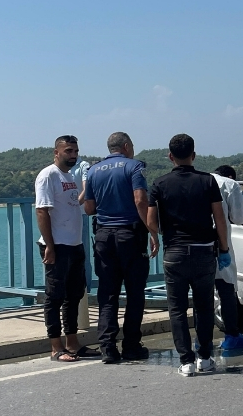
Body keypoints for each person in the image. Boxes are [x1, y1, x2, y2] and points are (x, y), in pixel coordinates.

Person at [147, 134, 230, 377]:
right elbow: (219, 218)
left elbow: (151, 221)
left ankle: (186, 361)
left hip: (175, 252)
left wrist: (160, 235)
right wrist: (223, 249)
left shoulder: (159, 184)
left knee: (177, 309)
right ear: (193, 155)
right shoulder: (207, 181)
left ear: (170, 156)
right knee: (204, 308)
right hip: (204, 251)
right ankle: (205, 357)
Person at [84, 132, 160, 364]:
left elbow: (88, 208)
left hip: (104, 236)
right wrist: (152, 232)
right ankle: (131, 345)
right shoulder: (135, 167)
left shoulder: (94, 171)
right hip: (130, 235)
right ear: (126, 146)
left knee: (108, 293)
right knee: (135, 292)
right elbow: (140, 200)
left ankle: (107, 347)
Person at [34, 135, 98, 361]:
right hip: (57, 246)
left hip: (74, 244)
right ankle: (55, 347)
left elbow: (73, 203)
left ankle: (73, 344)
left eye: (75, 151)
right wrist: (49, 245)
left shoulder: (69, 176)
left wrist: (86, 188)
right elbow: (42, 211)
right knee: (55, 297)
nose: (73, 155)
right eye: (68, 151)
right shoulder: (48, 175)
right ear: (56, 152)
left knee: (74, 295)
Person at [211, 165, 243, 350]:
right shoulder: (229, 184)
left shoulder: (197, 180)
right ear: (229, 176)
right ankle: (232, 336)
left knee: (200, 293)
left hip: (192, 246)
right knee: (226, 290)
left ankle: (201, 341)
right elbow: (240, 218)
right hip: (221, 245)